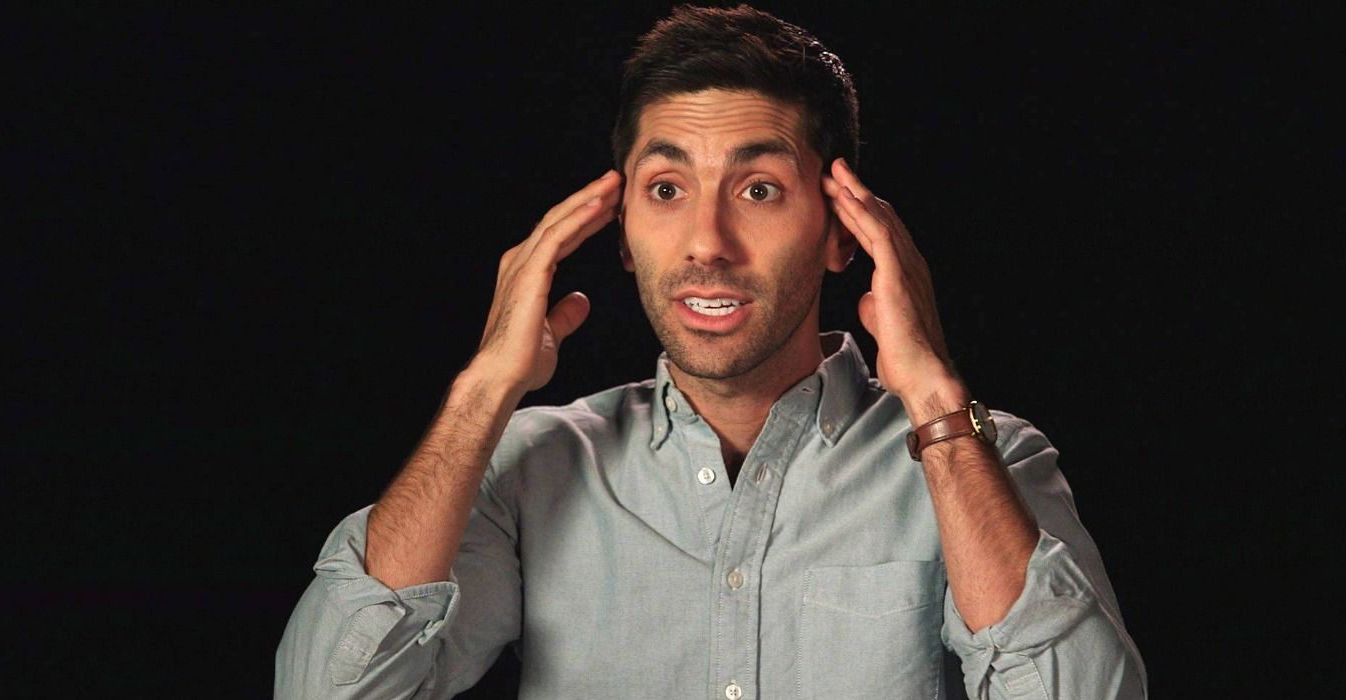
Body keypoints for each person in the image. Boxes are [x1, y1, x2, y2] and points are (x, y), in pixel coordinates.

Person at [275, 5, 1146, 698]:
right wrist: (481, 394)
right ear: (622, 236)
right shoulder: (531, 467)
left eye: (759, 189)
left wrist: (934, 404)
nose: (707, 241)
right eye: (666, 190)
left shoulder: (985, 459)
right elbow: (332, 690)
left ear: (845, 233)